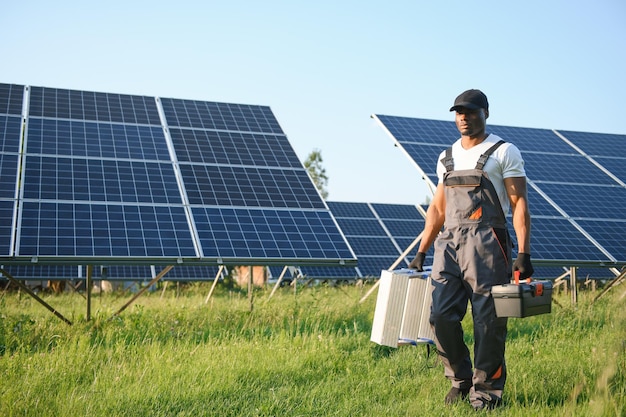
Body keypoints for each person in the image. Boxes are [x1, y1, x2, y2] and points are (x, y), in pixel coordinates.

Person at [409, 89, 533, 410]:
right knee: (440, 316)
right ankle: (460, 379)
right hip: (448, 244)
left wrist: (524, 252)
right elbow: (437, 208)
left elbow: (519, 203)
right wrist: (422, 249)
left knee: (488, 320)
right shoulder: (445, 156)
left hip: (488, 243)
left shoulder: (504, 151)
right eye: (458, 112)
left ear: (485, 113)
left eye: (470, 112)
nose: (463, 117)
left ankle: (488, 393)